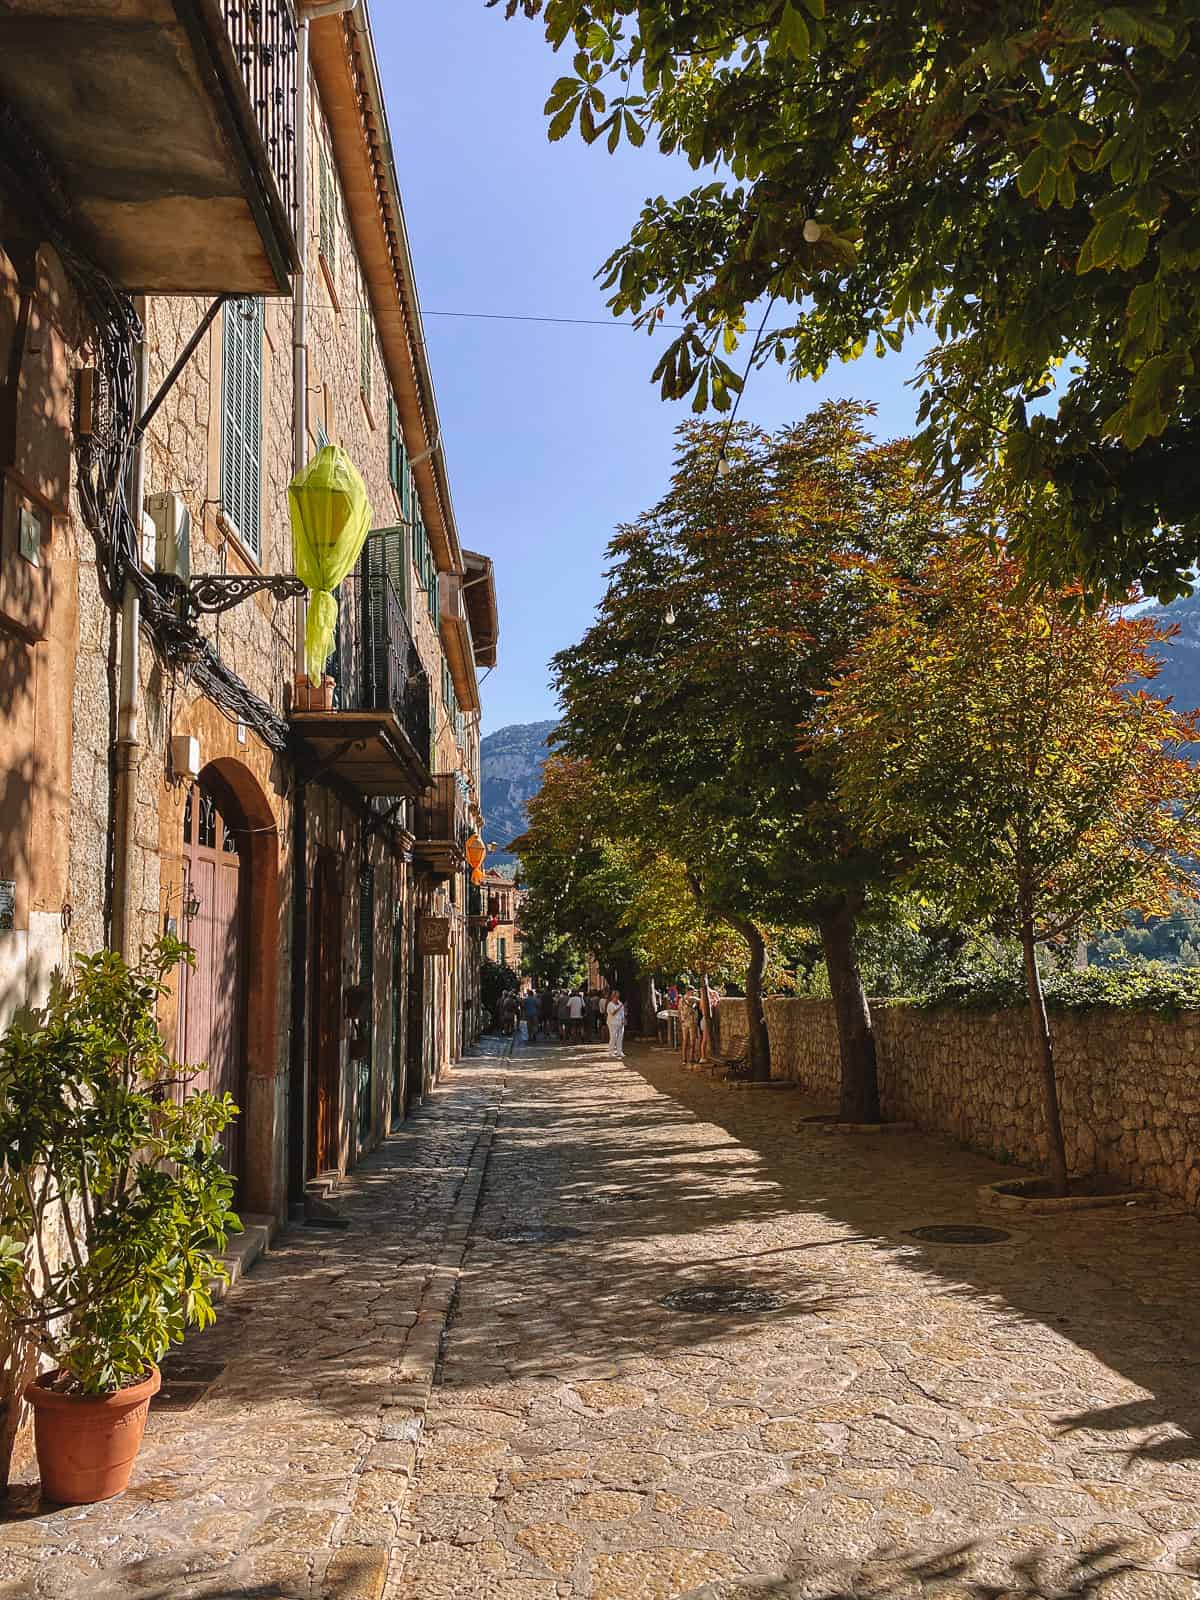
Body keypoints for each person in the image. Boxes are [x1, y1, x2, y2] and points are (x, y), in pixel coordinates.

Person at [605, 989, 626, 1059]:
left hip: (620, 1023)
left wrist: (623, 1020)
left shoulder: (620, 1003)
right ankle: (611, 1052)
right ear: (612, 997)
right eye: (615, 997)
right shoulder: (610, 1004)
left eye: (618, 997)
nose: (617, 998)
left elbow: (622, 1013)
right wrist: (620, 1007)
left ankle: (619, 1051)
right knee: (613, 1037)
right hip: (612, 1023)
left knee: (620, 1037)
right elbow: (613, 1013)